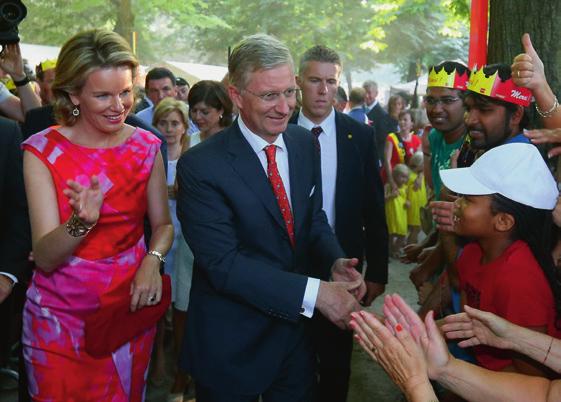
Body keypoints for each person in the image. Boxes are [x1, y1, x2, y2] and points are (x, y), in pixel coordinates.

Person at [176, 33, 365, 402]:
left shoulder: (301, 143)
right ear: (235, 96)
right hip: (231, 346)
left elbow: (312, 220)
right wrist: (316, 293)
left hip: (294, 342)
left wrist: (334, 259)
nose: (284, 107)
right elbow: (223, 264)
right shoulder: (201, 166)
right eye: (269, 96)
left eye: (289, 93)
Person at [21, 29, 173, 401]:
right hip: (58, 323)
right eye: (102, 94)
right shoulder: (41, 151)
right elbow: (44, 257)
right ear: (73, 94)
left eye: (125, 92)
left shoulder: (146, 146)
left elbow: (164, 225)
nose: (118, 105)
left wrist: (152, 261)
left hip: (126, 313)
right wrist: (82, 223)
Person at [290, 44, 388, 402]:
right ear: (298, 82)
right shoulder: (277, 130)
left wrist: (378, 271)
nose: (323, 90)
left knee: (335, 362)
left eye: (330, 81)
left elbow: (373, 207)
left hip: (344, 265)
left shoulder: (358, 135)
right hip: (291, 264)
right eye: (314, 80)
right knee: (291, 357)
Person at [187, 79, 233, 146]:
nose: (197, 117)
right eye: (194, 111)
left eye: (205, 112)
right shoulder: (190, 141)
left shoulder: (234, 140)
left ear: (221, 110)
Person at [384, 109, 421, 189]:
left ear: (412, 123)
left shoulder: (417, 140)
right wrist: (392, 182)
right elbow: (387, 161)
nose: (402, 122)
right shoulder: (391, 138)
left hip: (408, 181)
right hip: (393, 178)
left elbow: (420, 163)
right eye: (400, 119)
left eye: (405, 120)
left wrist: (419, 178)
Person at [385, 163, 410, 258]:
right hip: (391, 215)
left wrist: (408, 203)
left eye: (406, 177)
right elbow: (383, 199)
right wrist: (391, 196)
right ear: (394, 175)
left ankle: (395, 248)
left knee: (402, 234)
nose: (404, 179)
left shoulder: (405, 188)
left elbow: (407, 199)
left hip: (401, 215)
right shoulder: (388, 186)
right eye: (402, 176)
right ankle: (389, 251)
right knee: (390, 235)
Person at [363, 79, 388, 163]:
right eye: (364, 92)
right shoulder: (361, 110)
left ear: (376, 94)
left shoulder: (382, 114)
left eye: (369, 93)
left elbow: (382, 140)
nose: (366, 96)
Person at [406, 152, 427, 245]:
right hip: (414, 206)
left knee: (417, 228)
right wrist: (421, 175)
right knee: (416, 228)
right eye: (424, 164)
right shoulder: (411, 176)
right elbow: (417, 186)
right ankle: (410, 246)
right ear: (419, 164)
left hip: (420, 204)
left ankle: (411, 244)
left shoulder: (418, 175)